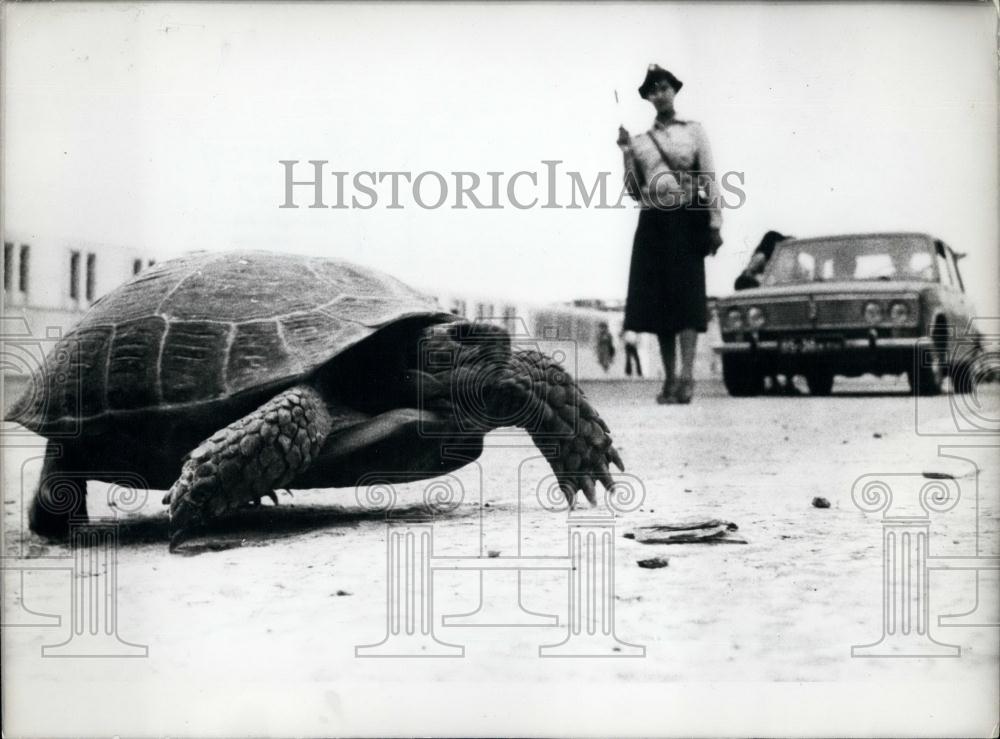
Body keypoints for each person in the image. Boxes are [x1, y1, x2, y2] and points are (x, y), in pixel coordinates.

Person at [619, 64, 722, 404]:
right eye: (654, 89)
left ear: (674, 91)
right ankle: (670, 380)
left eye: (665, 87)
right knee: (661, 304)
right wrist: (625, 155)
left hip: (687, 219)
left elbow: (709, 177)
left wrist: (714, 223)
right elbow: (634, 190)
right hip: (653, 222)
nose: (660, 93)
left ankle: (688, 378)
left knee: (688, 300)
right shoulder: (639, 142)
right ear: (648, 97)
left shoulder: (694, 131)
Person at [734, 230, 798, 394]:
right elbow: (744, 282)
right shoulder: (763, 261)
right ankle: (782, 381)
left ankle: (776, 381)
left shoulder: (771, 262)